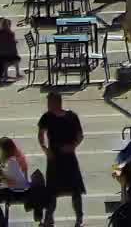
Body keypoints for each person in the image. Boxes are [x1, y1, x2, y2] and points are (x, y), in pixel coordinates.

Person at [36, 92, 85, 227]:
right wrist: (45, 150)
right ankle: (49, 219)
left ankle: (79, 218)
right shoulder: (46, 117)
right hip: (54, 157)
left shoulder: (72, 116)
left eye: (49, 102)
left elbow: (80, 135)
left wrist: (73, 146)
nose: (48, 105)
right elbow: (40, 135)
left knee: (76, 190)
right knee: (52, 190)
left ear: (57, 102)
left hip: (69, 157)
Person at [0, 137, 50, 227]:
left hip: (16, 192)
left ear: (4, 150)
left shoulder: (11, 163)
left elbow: (12, 182)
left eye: (0, 149)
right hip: (22, 188)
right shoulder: (16, 157)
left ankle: (0, 222)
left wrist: (0, 176)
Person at [0, 18, 22, 82]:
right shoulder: (10, 33)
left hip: (2, 52)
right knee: (16, 57)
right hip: (10, 53)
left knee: (6, 61)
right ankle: (17, 73)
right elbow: (12, 43)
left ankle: (6, 74)